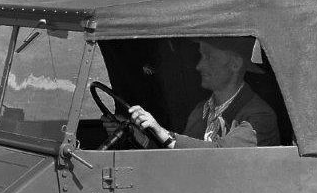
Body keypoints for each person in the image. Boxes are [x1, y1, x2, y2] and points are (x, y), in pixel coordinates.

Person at [120, 37, 280, 148]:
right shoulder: (200, 111)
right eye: (201, 56)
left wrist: (164, 134)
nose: (199, 66)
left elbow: (222, 154)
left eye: (209, 57)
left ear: (235, 65)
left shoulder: (259, 117)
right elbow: (182, 159)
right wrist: (138, 136)